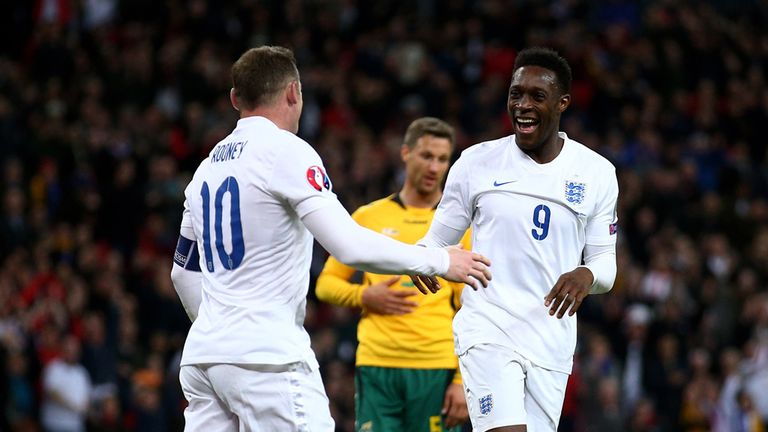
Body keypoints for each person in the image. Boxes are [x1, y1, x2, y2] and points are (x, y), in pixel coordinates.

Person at [169, 46, 492, 431]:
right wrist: (440, 261)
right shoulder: (287, 152)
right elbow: (348, 245)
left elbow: (182, 272)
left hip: (204, 359)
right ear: (294, 93)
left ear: (235, 98)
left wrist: (219, 329)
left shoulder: (205, 170)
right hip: (267, 359)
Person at [414, 47, 619, 432]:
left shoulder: (596, 173)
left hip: (550, 342)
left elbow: (605, 263)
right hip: (488, 329)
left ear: (563, 103)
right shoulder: (476, 163)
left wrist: (586, 276)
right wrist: (423, 261)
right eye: (515, 93)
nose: (522, 105)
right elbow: (435, 241)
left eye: (536, 96)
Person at [316, 117, 471, 432]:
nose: (434, 167)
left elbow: (471, 309)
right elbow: (325, 284)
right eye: (427, 156)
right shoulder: (368, 217)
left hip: (436, 367)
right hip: (377, 364)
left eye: (443, 159)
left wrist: (461, 379)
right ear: (405, 153)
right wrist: (363, 295)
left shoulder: (460, 228)